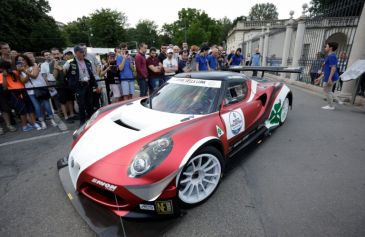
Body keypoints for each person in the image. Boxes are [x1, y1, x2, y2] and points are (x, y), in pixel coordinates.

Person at [20, 53, 57, 129]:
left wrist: (25, 71)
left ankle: (52, 119)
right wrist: (26, 72)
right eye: (20, 60)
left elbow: (34, 76)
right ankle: (42, 121)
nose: (22, 61)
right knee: (37, 106)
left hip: (41, 88)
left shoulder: (34, 65)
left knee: (46, 104)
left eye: (23, 60)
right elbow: (23, 81)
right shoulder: (20, 71)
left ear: (26, 60)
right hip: (30, 91)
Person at [64, 45, 99, 125]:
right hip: (79, 86)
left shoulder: (87, 62)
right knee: (81, 105)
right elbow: (65, 73)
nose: (83, 54)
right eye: (81, 52)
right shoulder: (70, 62)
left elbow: (91, 74)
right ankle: (82, 122)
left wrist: (95, 85)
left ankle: (91, 120)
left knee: (90, 103)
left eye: (83, 52)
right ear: (76, 53)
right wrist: (71, 83)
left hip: (88, 85)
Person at [316, 42, 343, 110]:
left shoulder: (332, 56)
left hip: (331, 77)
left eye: (326, 46)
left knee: (326, 90)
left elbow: (333, 68)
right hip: (328, 76)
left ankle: (331, 106)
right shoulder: (329, 56)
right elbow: (326, 69)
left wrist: (330, 79)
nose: (325, 48)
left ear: (330, 48)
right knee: (328, 90)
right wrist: (319, 78)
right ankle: (338, 100)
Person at [52, 48, 75, 123]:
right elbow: (54, 77)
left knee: (70, 100)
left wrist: (61, 68)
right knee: (63, 101)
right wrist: (56, 67)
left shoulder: (66, 61)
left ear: (61, 54)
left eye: (57, 54)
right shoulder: (51, 63)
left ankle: (72, 114)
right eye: (54, 54)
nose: (56, 56)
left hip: (68, 83)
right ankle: (66, 117)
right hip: (60, 85)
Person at [0, 42, 17, 133]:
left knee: (5, 107)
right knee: (3, 106)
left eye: (8, 47)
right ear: (1, 50)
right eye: (5, 48)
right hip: (2, 85)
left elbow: (15, 70)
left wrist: (13, 61)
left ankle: (9, 125)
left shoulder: (12, 58)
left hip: (13, 85)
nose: (8, 49)